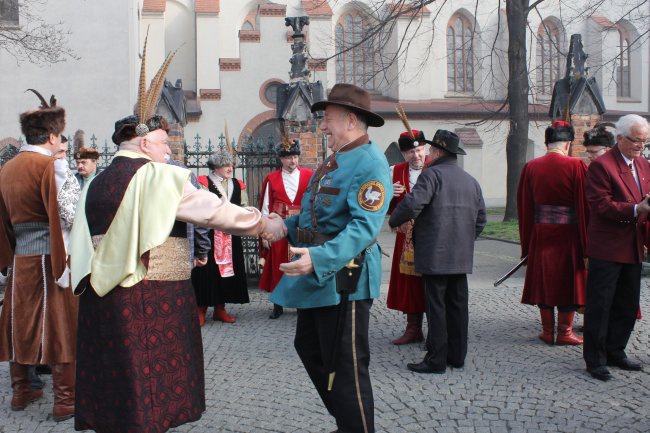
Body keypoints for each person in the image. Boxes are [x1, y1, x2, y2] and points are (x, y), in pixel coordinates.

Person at [68, 44, 286, 433]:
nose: (169, 150)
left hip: (103, 295)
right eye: (164, 143)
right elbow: (215, 211)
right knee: (152, 383)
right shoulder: (157, 177)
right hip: (154, 296)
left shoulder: (95, 183)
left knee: (117, 379)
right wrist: (263, 224)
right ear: (144, 142)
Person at [270, 83, 392, 433]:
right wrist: (280, 226)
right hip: (324, 274)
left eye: (328, 119)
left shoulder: (370, 162)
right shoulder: (337, 157)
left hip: (346, 278)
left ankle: (356, 427)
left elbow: (364, 228)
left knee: (346, 364)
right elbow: (317, 216)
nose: (322, 127)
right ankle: (347, 421)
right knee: (309, 347)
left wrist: (319, 258)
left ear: (351, 120)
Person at [0, 90, 79, 421]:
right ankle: (66, 400)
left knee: (20, 320)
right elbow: (71, 213)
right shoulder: (53, 166)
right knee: (61, 324)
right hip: (52, 258)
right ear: (51, 135)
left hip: (20, 258)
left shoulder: (6, 169)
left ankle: (21, 391)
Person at [389, 129, 486, 374]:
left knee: (437, 308)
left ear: (438, 151)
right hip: (461, 257)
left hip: (434, 255)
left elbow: (413, 203)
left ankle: (436, 360)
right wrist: (465, 240)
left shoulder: (431, 175)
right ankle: (457, 356)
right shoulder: (470, 180)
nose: (428, 153)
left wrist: (393, 220)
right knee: (458, 306)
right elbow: (481, 218)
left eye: (431, 149)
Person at [583, 114, 650, 381]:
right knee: (601, 305)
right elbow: (600, 205)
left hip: (633, 244)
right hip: (608, 247)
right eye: (636, 140)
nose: (640, 146)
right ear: (620, 138)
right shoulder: (602, 166)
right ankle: (595, 359)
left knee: (627, 303)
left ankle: (616, 350)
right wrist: (636, 208)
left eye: (644, 141)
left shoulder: (643, 164)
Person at [517, 120, 588, 346]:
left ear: (547, 142)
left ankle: (548, 332)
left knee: (544, 280)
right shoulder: (577, 166)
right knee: (569, 281)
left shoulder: (531, 167)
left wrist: (526, 245)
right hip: (569, 235)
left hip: (541, 234)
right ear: (568, 143)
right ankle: (565, 332)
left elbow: (525, 208)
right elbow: (584, 206)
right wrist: (587, 245)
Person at [191, 149, 251, 325]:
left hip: (231, 235)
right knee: (206, 273)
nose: (230, 168)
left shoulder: (238, 184)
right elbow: (200, 207)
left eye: (231, 164)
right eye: (225, 164)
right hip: (208, 234)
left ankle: (220, 309)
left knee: (227, 273)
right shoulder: (203, 183)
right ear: (215, 166)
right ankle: (200, 309)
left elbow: (244, 206)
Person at [258, 138, 313, 319]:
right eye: (289, 157)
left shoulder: (309, 175)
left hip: (300, 227)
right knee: (278, 266)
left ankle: (300, 302)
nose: (293, 161)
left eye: (295, 157)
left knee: (299, 263)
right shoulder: (271, 178)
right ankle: (278, 303)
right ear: (281, 159)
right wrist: (264, 233)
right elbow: (266, 207)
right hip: (279, 228)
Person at [386, 129, 428, 344]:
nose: (417, 155)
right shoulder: (393, 171)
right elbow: (383, 207)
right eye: (411, 152)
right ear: (403, 154)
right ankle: (413, 329)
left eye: (419, 150)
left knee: (432, 283)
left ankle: (438, 330)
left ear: (425, 148)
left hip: (432, 235)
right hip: (406, 238)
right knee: (410, 284)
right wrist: (387, 195)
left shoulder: (435, 167)